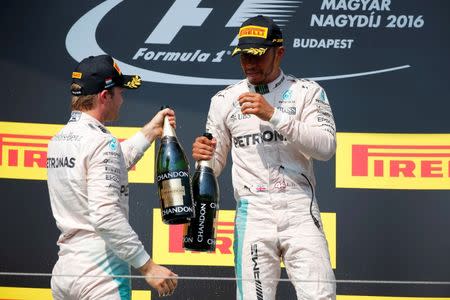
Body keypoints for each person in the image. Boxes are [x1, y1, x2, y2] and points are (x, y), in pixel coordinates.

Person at [192, 15, 336, 299]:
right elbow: (214, 165)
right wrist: (203, 158)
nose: (249, 62)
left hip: (299, 208)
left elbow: (326, 148)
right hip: (253, 211)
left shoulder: (307, 92)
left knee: (321, 297)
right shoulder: (223, 100)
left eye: (257, 55)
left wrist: (274, 115)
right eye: (243, 55)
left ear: (279, 53)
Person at [47, 54, 178, 299]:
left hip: (65, 270)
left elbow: (110, 167)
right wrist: (147, 267)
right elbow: (105, 216)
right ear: (104, 96)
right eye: (120, 92)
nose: (122, 99)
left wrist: (150, 132)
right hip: (101, 272)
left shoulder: (59, 140)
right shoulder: (101, 142)